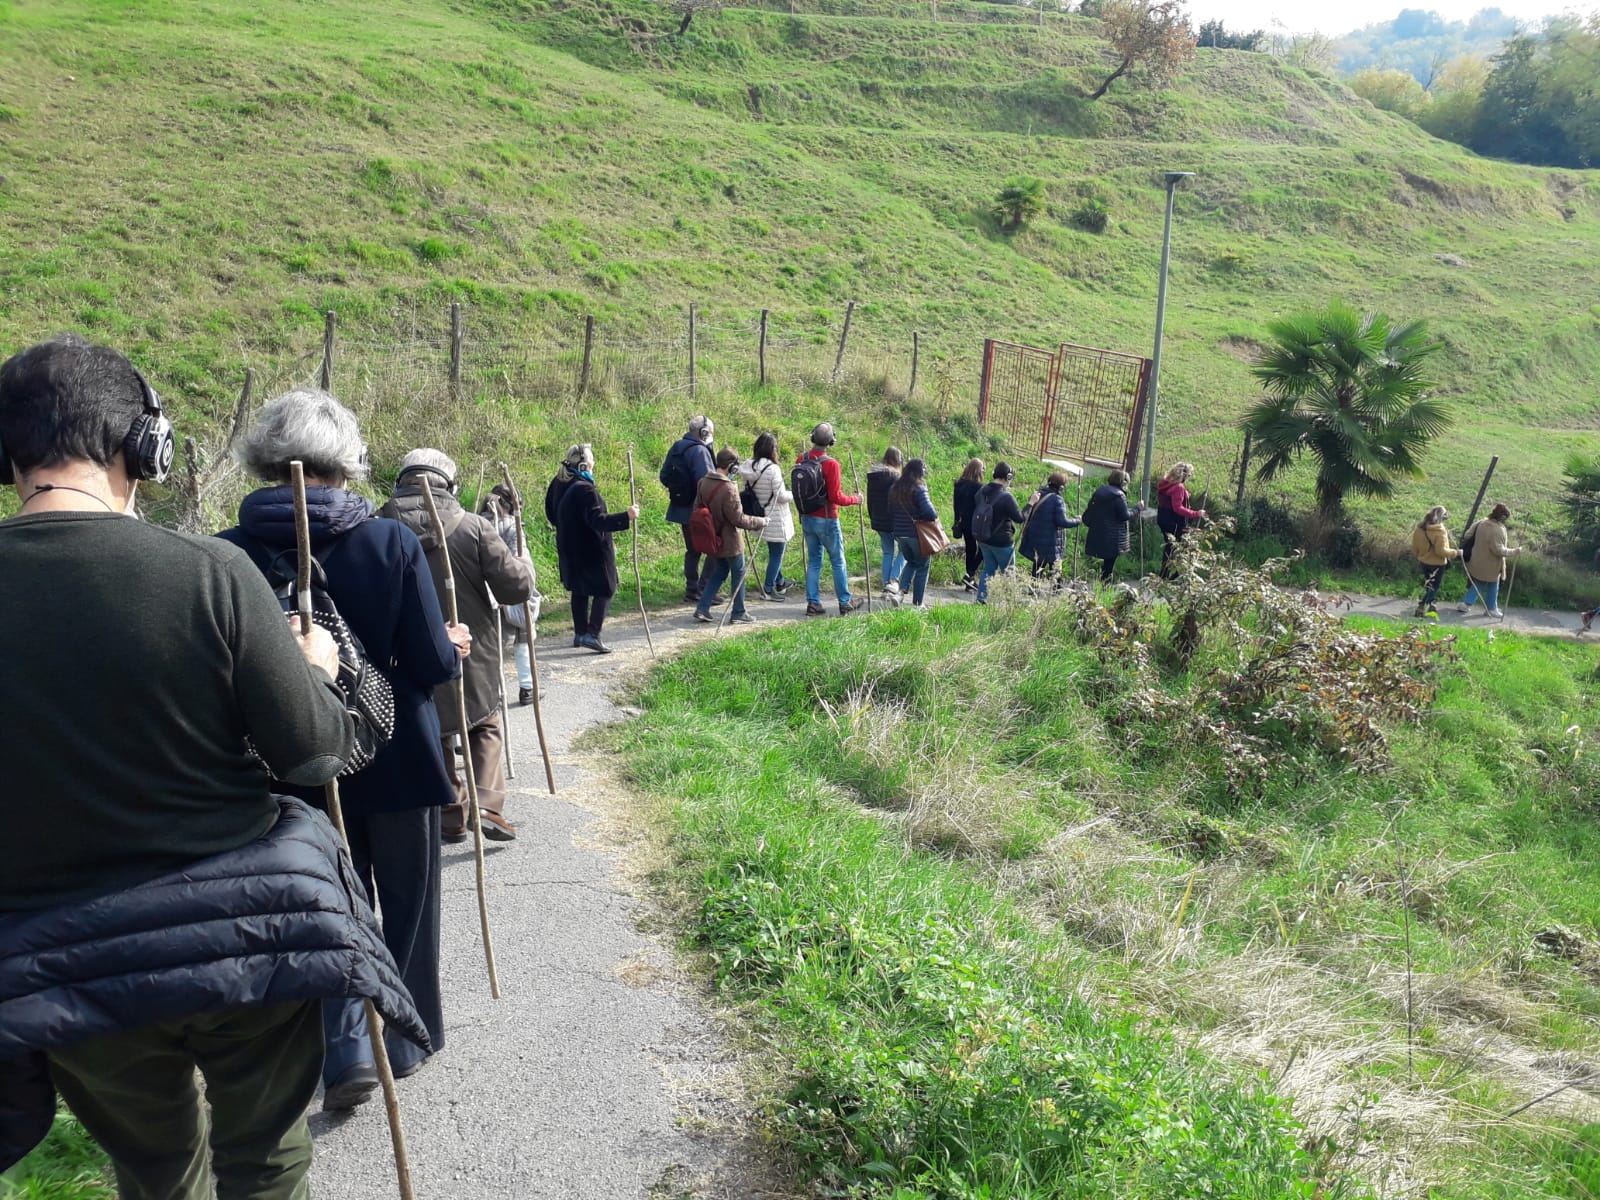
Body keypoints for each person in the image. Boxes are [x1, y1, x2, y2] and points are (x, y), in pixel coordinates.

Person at [0, 337, 422, 1194]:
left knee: (153, 1166)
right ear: (144, 449)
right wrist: (318, 671)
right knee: (265, 1155)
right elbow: (313, 750)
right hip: (244, 939)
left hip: (66, 960)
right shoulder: (209, 572)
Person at [222, 390, 467, 1109]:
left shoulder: (227, 554)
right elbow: (427, 661)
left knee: (325, 904)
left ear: (268, 459)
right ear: (346, 460)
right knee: (408, 901)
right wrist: (449, 651)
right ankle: (406, 1034)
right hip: (397, 758)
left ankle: (342, 1046)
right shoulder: (389, 542)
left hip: (291, 767)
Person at [382, 450, 534, 845]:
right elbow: (516, 587)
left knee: (433, 728)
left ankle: (451, 812)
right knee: (484, 722)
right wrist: (521, 561)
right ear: (448, 484)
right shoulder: (474, 527)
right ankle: (486, 805)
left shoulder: (374, 525)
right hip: (474, 646)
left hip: (403, 649)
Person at [555, 442, 640, 652]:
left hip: (569, 547)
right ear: (583, 465)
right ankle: (592, 634)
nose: (594, 462)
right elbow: (598, 521)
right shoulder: (585, 489)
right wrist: (626, 517)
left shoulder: (559, 483)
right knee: (607, 587)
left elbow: (551, 512)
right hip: (591, 550)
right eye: (591, 459)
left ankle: (580, 633)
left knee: (579, 590)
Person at [795, 421, 864, 617]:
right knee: (838, 560)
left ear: (812, 438)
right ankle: (845, 601)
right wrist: (855, 499)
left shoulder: (802, 458)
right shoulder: (831, 464)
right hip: (827, 519)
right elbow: (836, 497)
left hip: (807, 518)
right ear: (831, 441)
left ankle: (813, 603)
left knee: (815, 560)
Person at [693, 447, 768, 625]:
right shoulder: (729, 488)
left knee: (719, 572)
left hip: (712, 538)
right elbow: (738, 519)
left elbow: (698, 506)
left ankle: (702, 608)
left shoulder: (703, 482)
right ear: (732, 467)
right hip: (730, 540)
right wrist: (760, 521)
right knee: (739, 573)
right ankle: (739, 612)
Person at [482, 481, 540, 705]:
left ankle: (492, 692)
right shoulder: (511, 527)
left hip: (484, 593)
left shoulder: (473, 522)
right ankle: (527, 687)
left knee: (490, 645)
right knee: (522, 638)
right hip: (508, 588)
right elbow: (521, 561)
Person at [660, 414, 717, 603]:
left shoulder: (677, 447)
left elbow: (664, 476)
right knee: (714, 547)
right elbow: (707, 481)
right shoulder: (700, 451)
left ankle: (692, 589)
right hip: (699, 509)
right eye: (710, 432)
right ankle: (705, 589)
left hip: (679, 507)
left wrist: (678, 490)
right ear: (703, 432)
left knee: (692, 549)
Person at [739, 431, 793, 601]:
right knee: (777, 553)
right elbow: (781, 496)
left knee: (773, 550)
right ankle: (769, 588)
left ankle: (780, 581)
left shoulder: (748, 467)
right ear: (772, 449)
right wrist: (795, 494)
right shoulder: (773, 469)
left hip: (758, 513)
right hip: (775, 516)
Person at [972, 461, 1027, 604]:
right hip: (1002, 542)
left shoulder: (981, 492)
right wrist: (1031, 503)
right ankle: (1009, 602)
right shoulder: (1006, 497)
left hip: (983, 539)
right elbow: (1020, 518)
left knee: (988, 568)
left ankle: (981, 599)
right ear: (1008, 477)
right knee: (1009, 572)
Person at [888, 457, 939, 608]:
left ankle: (900, 593)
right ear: (920, 473)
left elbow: (890, 511)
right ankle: (918, 604)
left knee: (911, 562)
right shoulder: (919, 488)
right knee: (923, 566)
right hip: (917, 534)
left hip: (899, 534)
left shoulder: (894, 488)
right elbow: (930, 513)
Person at [1458, 503, 1521, 618]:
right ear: (1503, 517)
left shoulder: (1481, 522)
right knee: (1492, 584)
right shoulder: (1497, 530)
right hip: (1491, 565)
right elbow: (1498, 550)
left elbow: (1467, 535)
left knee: (1479, 583)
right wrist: (1514, 551)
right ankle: (1490, 609)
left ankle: (1466, 604)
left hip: (1476, 560)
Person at [1018, 470, 1082, 581]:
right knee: (1056, 571)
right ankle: (1057, 594)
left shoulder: (1037, 494)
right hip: (1052, 544)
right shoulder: (1058, 500)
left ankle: (1033, 592)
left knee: (1037, 569)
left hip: (1036, 539)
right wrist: (1077, 521)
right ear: (1061, 487)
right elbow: (1062, 522)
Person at [1082, 469, 1139, 585]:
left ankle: (1103, 585)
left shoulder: (1100, 491)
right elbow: (1124, 516)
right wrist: (1137, 509)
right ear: (1123, 483)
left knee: (1105, 563)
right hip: (1113, 537)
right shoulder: (1119, 496)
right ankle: (1105, 587)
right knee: (1109, 564)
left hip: (1099, 532)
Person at [1156, 462, 1206, 578]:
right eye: (1189, 475)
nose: (1189, 478)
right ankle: (1175, 576)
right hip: (1175, 522)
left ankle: (1165, 575)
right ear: (1184, 475)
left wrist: (1184, 494)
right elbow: (1177, 508)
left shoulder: (1165, 483)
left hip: (1163, 519)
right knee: (1182, 547)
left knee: (1171, 546)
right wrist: (1196, 513)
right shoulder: (1178, 487)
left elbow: (1170, 497)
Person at [866, 446, 905, 598]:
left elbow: (870, 500)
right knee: (905, 550)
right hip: (895, 520)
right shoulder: (896, 477)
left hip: (878, 519)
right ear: (898, 461)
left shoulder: (873, 476)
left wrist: (872, 517)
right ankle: (893, 580)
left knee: (888, 551)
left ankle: (885, 585)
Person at [1410, 505, 1460, 619]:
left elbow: (1414, 546)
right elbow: (1441, 551)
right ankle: (1422, 605)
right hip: (1437, 563)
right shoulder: (1440, 531)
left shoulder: (1420, 529)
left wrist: (1420, 555)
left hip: (1424, 561)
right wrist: (1456, 553)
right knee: (1434, 586)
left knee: (1429, 584)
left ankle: (1431, 603)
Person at [953, 457, 985, 591]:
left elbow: (956, 505)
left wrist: (956, 520)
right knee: (983, 549)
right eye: (983, 468)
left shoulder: (959, 484)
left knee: (970, 549)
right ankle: (970, 574)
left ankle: (970, 579)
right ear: (978, 470)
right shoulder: (978, 487)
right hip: (976, 522)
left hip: (963, 521)